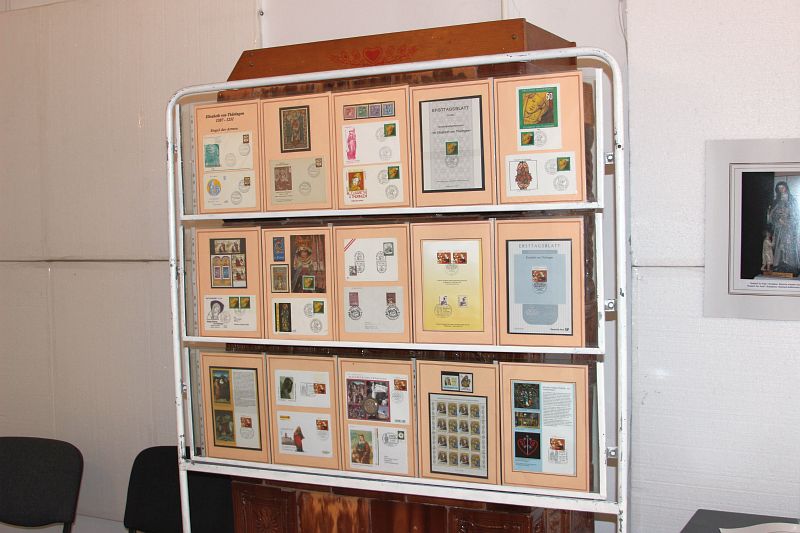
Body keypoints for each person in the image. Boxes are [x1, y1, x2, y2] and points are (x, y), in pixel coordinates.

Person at [766, 181, 800, 273]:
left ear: (786, 188)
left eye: (783, 187)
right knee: (779, 246)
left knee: (789, 246)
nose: (781, 190)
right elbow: (772, 215)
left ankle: (791, 265)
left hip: (789, 228)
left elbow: (796, 215)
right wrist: (779, 219)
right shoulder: (776, 201)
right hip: (780, 228)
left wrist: (788, 220)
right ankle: (779, 264)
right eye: (779, 188)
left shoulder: (792, 201)